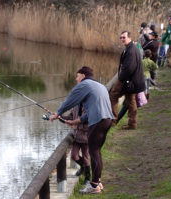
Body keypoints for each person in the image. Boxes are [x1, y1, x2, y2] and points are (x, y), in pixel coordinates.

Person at [50, 66, 114, 194]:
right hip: (107, 120)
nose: (76, 78)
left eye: (77, 76)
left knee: (94, 152)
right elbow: (90, 111)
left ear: (83, 76)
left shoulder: (84, 84)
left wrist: (58, 113)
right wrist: (75, 121)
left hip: (98, 121)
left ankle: (94, 185)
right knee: (97, 152)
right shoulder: (98, 85)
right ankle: (97, 182)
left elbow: (70, 100)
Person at [109, 31, 145, 130]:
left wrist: (120, 78)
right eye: (120, 38)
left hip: (130, 80)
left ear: (129, 37)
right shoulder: (131, 48)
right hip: (132, 80)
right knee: (131, 100)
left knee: (113, 95)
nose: (122, 39)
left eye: (124, 37)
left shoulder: (131, 50)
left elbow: (129, 68)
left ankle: (113, 120)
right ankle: (132, 123)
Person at [61, 106, 90, 184]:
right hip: (76, 137)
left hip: (86, 137)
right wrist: (59, 116)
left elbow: (85, 119)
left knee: (86, 157)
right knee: (74, 156)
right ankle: (83, 167)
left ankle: (87, 177)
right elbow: (70, 117)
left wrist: (75, 124)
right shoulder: (75, 106)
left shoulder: (88, 106)